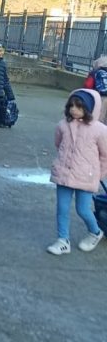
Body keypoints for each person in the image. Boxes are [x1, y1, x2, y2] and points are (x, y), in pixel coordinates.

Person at [47, 89, 107, 255]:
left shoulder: (100, 130)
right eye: (71, 106)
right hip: (64, 173)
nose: (74, 109)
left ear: (89, 108)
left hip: (86, 177)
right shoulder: (62, 125)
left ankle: (95, 232)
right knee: (62, 208)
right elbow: (59, 144)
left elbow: (105, 155)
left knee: (83, 209)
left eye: (79, 107)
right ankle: (62, 240)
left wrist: (98, 174)